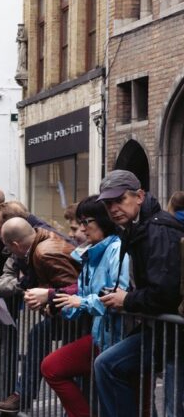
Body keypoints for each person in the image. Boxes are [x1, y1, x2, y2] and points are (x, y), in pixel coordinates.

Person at [93, 170, 184, 417]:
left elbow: (164, 293)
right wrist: (127, 296)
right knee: (107, 365)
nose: (113, 208)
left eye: (119, 200)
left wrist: (128, 299)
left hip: (175, 333)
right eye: (108, 203)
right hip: (162, 331)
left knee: (174, 408)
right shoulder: (139, 228)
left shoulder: (159, 230)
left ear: (140, 196)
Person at [41, 196, 130, 417]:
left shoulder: (116, 249)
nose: (81, 229)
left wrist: (79, 302)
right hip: (102, 335)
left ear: (102, 220)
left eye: (85, 222)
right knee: (52, 367)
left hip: (118, 337)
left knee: (129, 403)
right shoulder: (91, 253)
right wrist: (61, 303)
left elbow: (117, 294)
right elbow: (82, 292)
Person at [0, 216, 80, 414]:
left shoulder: (45, 252)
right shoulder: (39, 246)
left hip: (79, 318)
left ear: (15, 244)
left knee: (69, 368)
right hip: (71, 314)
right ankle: (23, 395)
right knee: (40, 336)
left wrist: (50, 301)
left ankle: (24, 396)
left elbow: (73, 286)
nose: (73, 235)